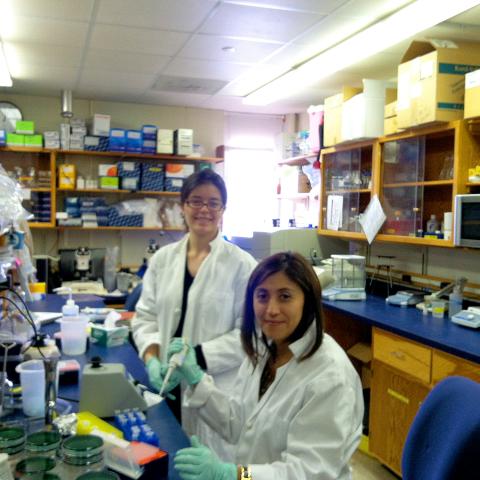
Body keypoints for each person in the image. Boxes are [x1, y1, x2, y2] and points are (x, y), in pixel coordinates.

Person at [168, 251, 364, 480]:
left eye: (285, 296)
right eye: (262, 296)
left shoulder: (329, 376)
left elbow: (307, 472)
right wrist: (195, 378)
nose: (271, 309)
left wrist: (233, 474)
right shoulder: (266, 348)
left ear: (307, 301)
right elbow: (238, 423)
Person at [132, 168, 257, 460]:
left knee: (210, 465)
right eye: (196, 201)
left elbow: (249, 334)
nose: (204, 209)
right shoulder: (163, 259)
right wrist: (152, 360)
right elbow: (145, 317)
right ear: (183, 206)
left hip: (214, 391)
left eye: (213, 203)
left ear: (223, 209)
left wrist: (195, 360)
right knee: (171, 460)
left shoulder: (243, 265)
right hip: (165, 385)